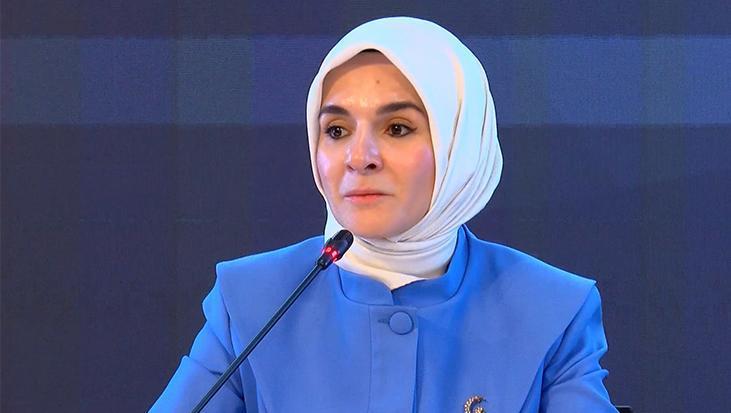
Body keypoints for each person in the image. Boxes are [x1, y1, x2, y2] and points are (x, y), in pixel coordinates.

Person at [150, 16, 615, 412]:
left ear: (460, 146)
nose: (359, 158)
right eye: (337, 130)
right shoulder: (251, 299)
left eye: (397, 128)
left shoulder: (552, 308)